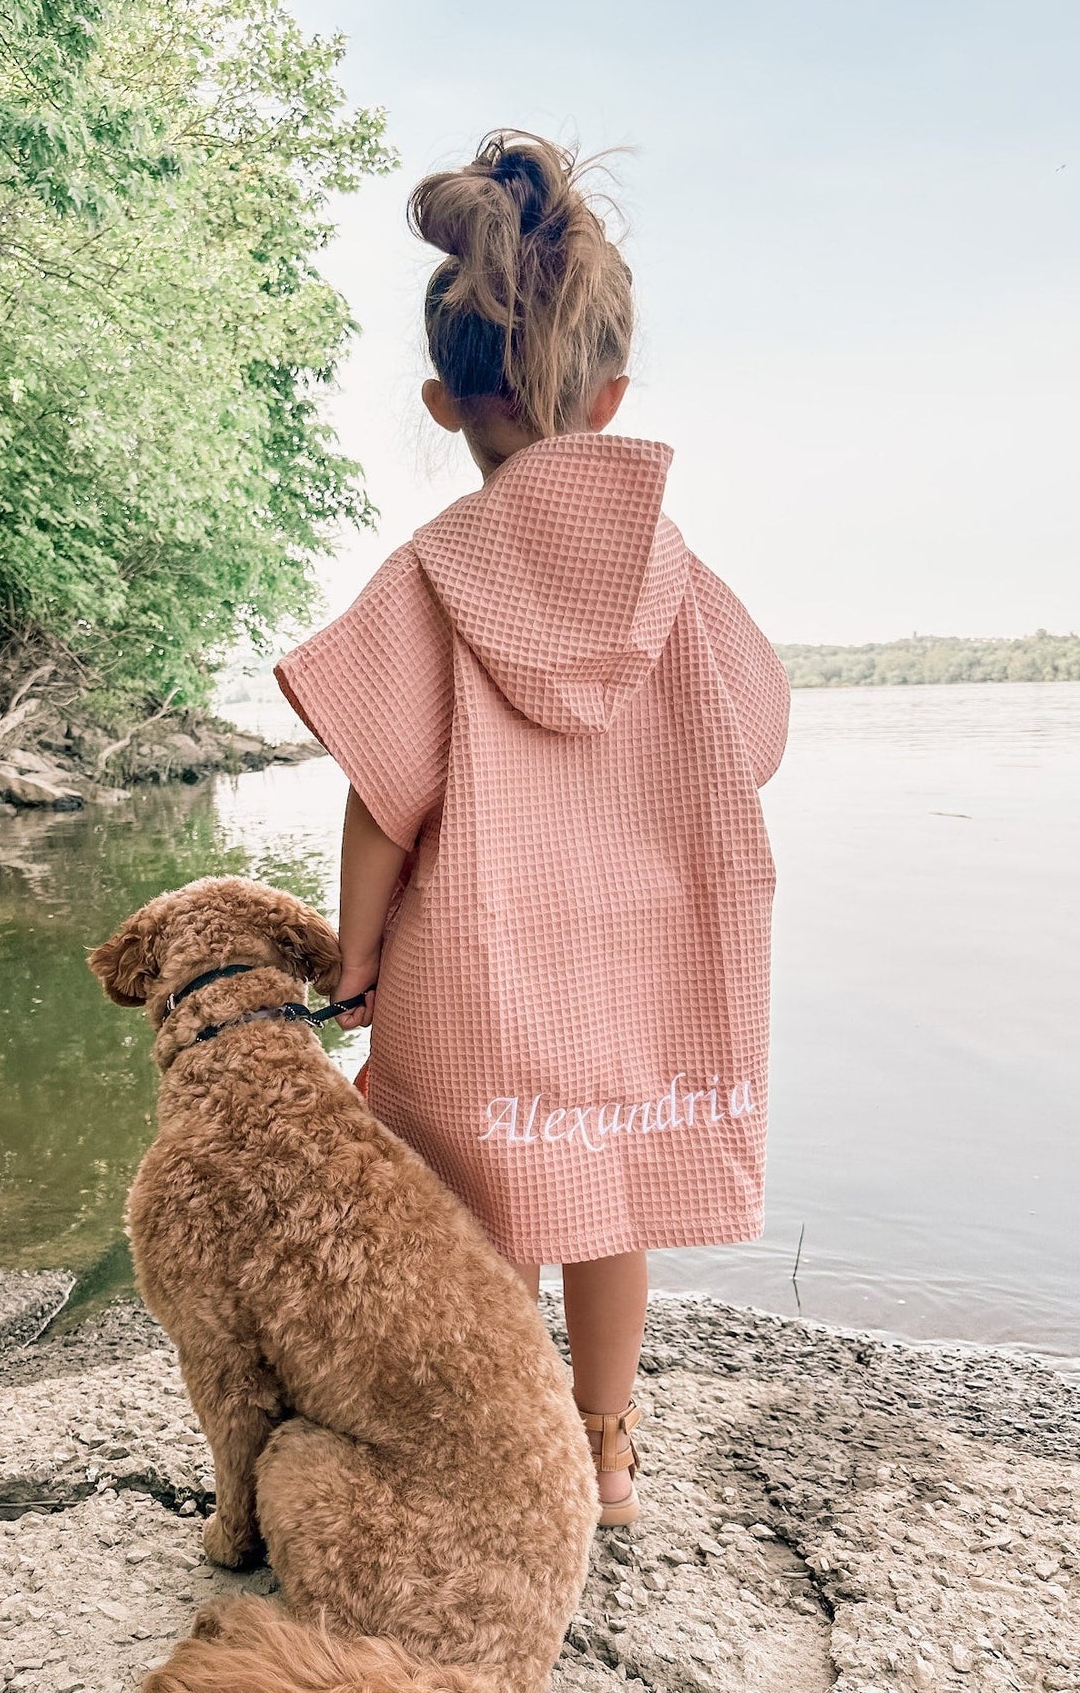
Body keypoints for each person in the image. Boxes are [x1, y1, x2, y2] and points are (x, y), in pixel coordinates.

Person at [275, 129, 789, 1526]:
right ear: (612, 394)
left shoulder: (435, 574)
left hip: (478, 959)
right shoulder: (676, 569)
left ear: (446, 402)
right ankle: (607, 1457)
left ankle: (502, 1465)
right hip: (632, 958)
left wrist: (355, 957)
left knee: (477, 1202)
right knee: (604, 1196)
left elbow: (383, 794)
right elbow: (756, 734)